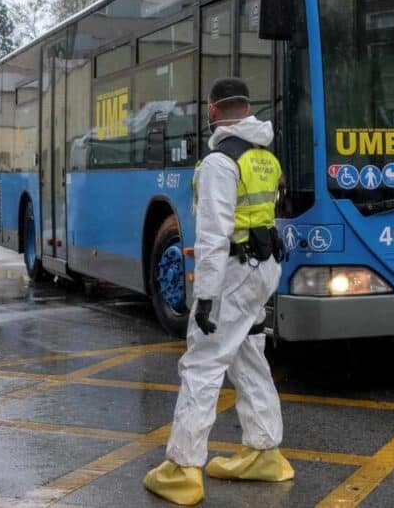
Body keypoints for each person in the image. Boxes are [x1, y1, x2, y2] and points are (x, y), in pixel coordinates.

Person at [144, 77, 293, 506]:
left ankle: (183, 468)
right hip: (262, 269)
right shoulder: (265, 156)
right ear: (247, 107)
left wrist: (204, 296)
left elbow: (213, 235)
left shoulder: (219, 162)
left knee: (202, 363)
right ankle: (264, 452)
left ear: (212, 111)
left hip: (232, 274)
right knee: (248, 355)